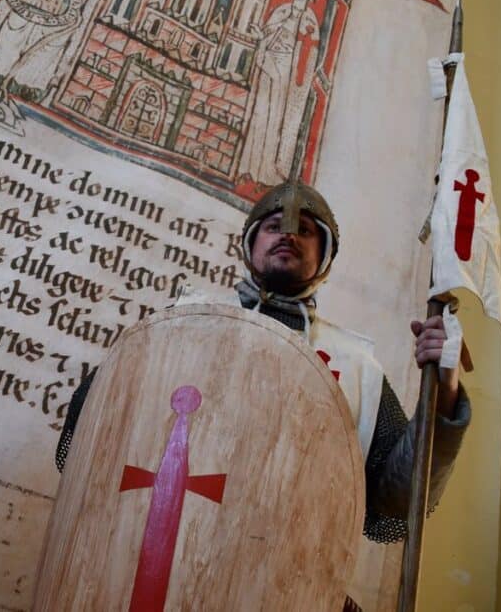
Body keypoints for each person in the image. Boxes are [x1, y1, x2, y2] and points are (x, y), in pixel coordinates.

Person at [55, 181, 470, 577]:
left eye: (305, 231)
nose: (287, 235)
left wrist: (445, 387)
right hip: (156, 557)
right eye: (274, 226)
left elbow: (396, 503)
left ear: (325, 256)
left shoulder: (357, 369)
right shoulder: (184, 320)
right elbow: (94, 426)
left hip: (280, 576)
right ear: (249, 242)